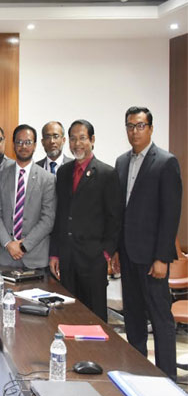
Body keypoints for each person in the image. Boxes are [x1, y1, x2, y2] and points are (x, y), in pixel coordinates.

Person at [114, 106, 182, 380]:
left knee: (161, 319)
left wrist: (162, 258)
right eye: (130, 126)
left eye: (140, 125)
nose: (135, 131)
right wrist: (116, 251)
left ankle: (167, 381)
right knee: (133, 318)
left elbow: (170, 215)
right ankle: (138, 373)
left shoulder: (166, 162)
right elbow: (120, 212)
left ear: (151, 128)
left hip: (153, 258)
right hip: (127, 254)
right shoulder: (121, 162)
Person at [49, 119, 123, 322]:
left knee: (94, 316)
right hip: (67, 257)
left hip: (93, 259)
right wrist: (55, 252)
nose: (77, 144)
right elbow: (60, 214)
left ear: (92, 140)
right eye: (73, 139)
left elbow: (115, 218)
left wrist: (106, 253)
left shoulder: (107, 173)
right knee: (68, 314)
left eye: (82, 138)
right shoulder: (63, 172)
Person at [0, 124, 56, 268]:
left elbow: (48, 219)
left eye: (28, 142)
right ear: (13, 145)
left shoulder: (48, 179)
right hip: (5, 256)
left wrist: (23, 246)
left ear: (35, 145)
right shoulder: (0, 175)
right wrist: (8, 244)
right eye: (19, 142)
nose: (23, 146)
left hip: (35, 257)